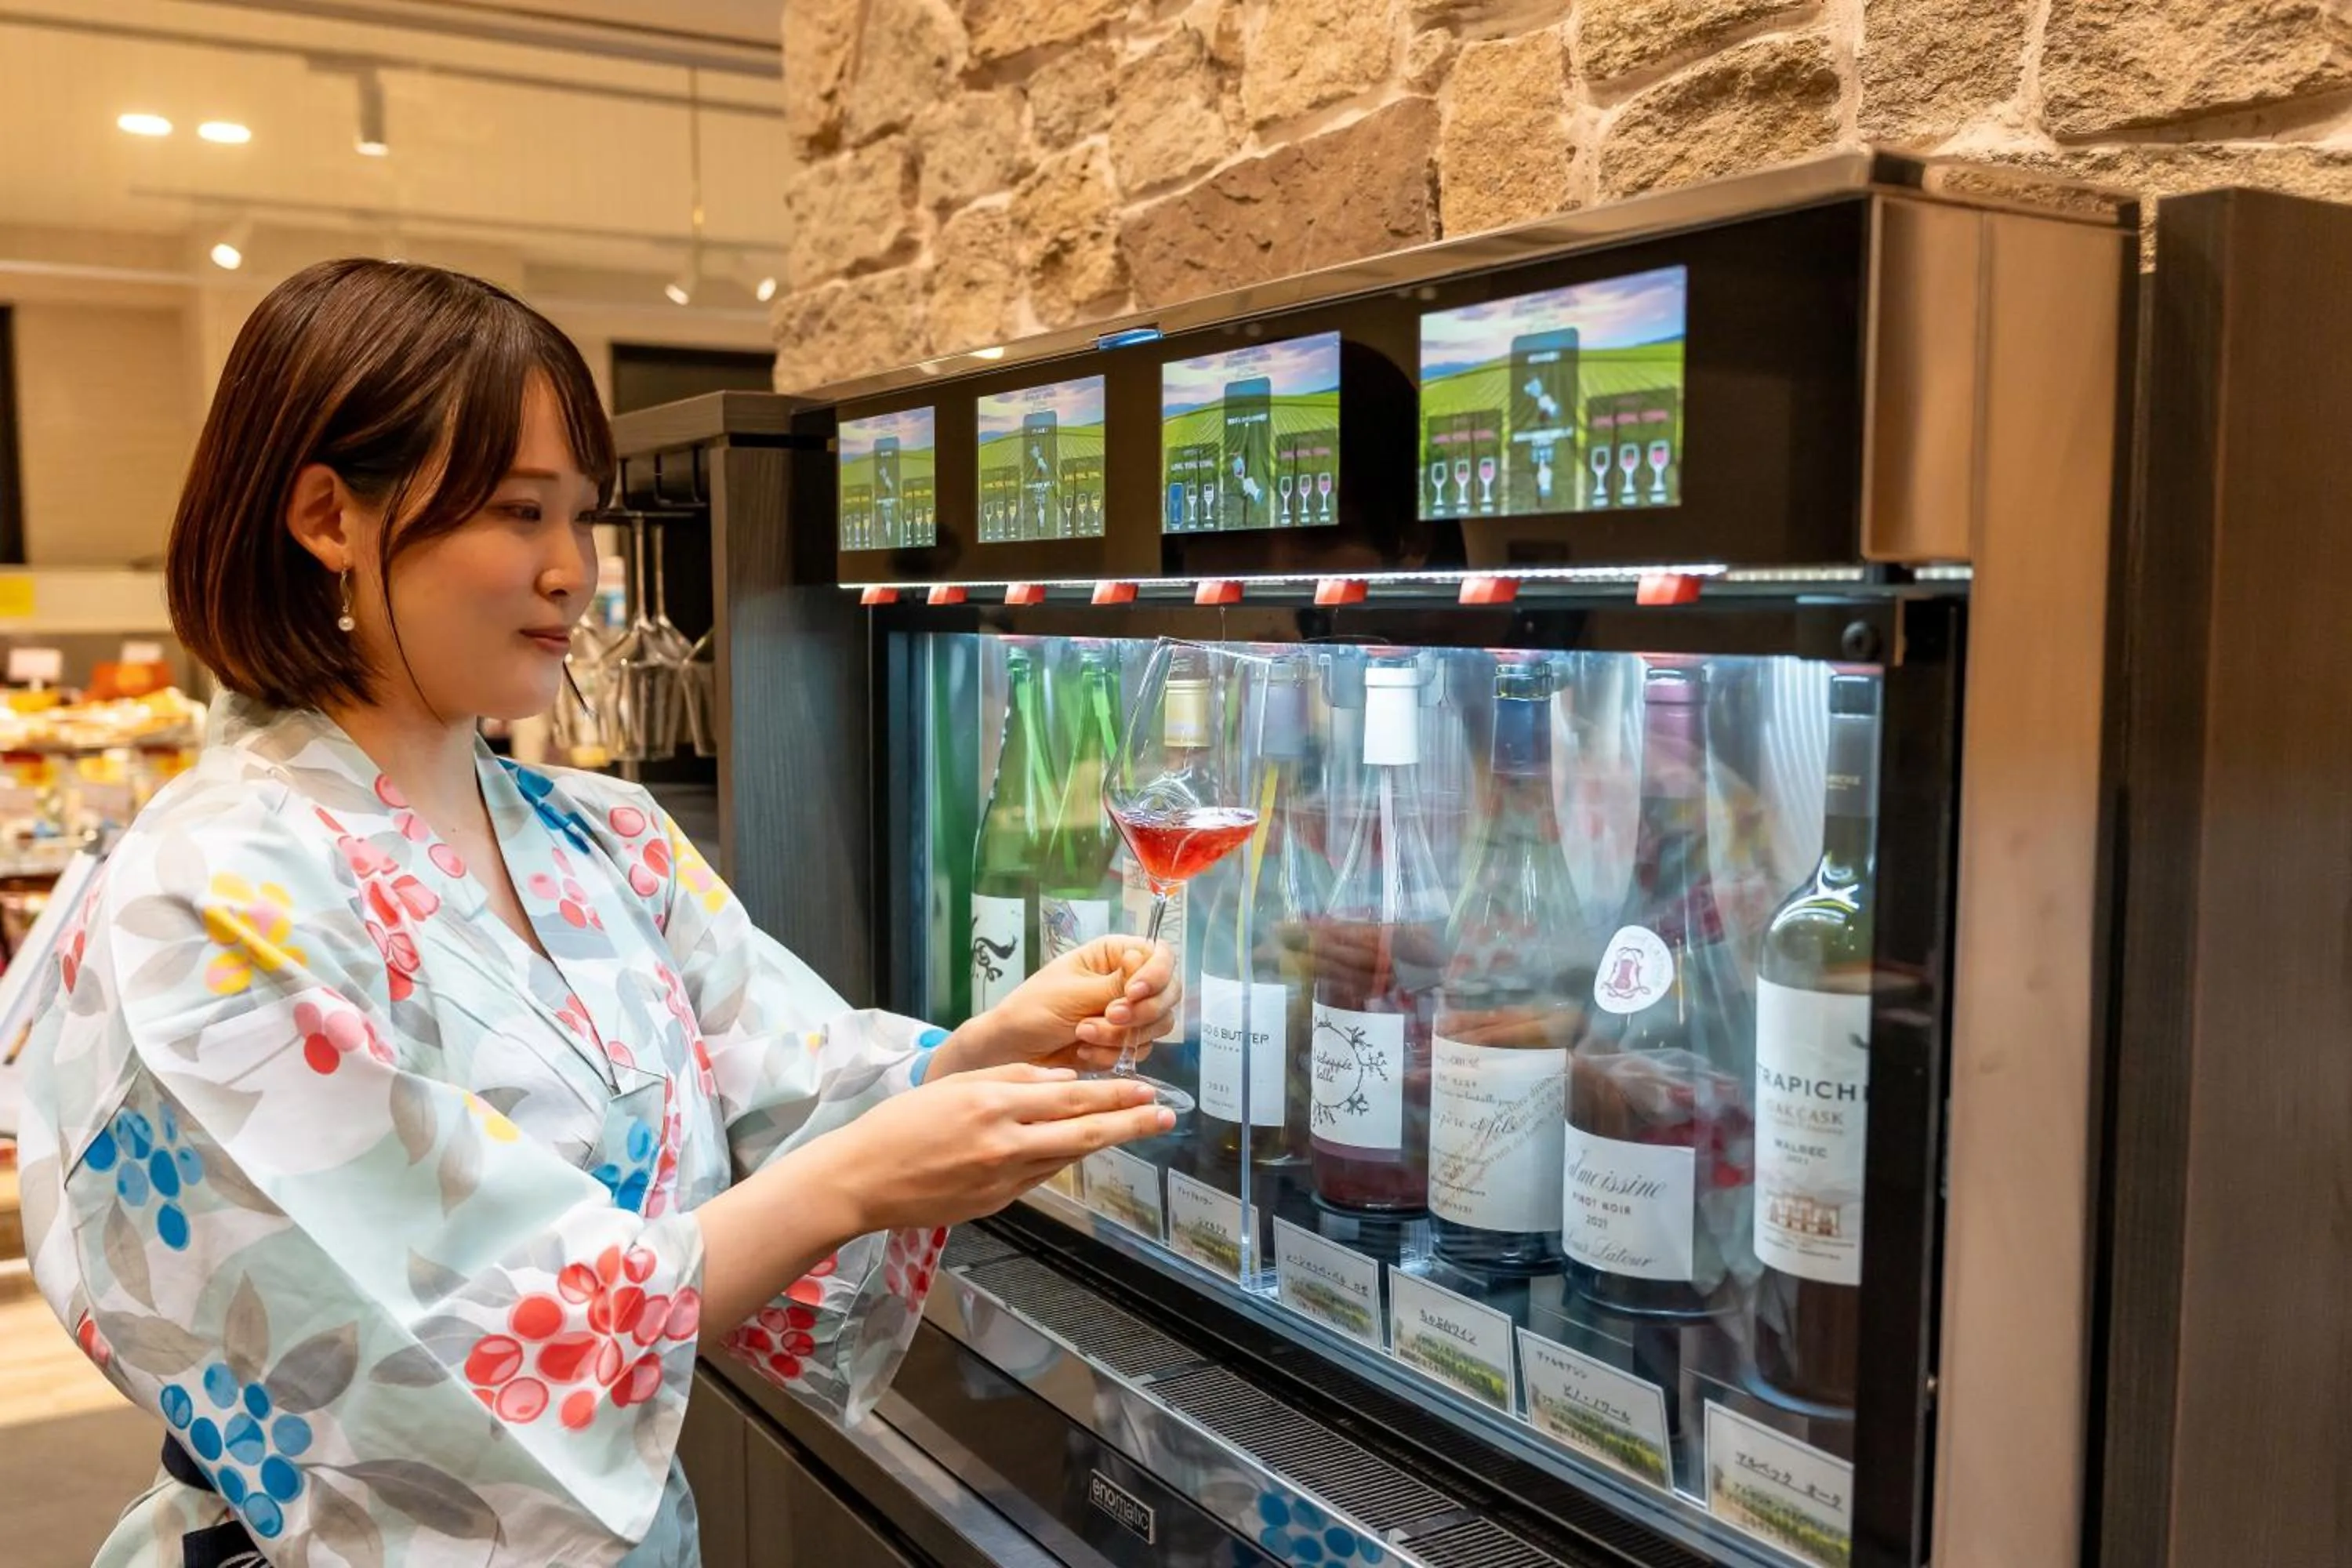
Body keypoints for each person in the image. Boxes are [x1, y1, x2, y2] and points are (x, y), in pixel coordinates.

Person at [13, 258, 1178, 1566]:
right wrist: (857, 1181)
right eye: (518, 512)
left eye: (584, 517)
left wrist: (984, 1053)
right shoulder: (207, 897)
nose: (571, 571)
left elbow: (784, 1079)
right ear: (329, 516)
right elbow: (433, 1346)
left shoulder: (602, 834)